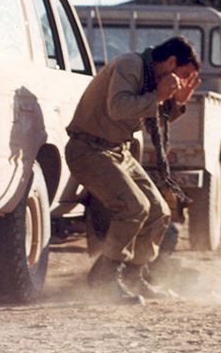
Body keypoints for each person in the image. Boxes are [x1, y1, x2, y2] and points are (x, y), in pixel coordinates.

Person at [66, 36, 201, 302]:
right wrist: (160, 96)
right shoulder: (130, 65)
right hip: (89, 150)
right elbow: (119, 108)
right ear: (171, 62)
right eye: (183, 75)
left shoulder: (153, 78)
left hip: (117, 151)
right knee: (134, 207)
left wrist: (176, 102)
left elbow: (152, 114)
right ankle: (104, 278)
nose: (182, 81)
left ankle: (133, 277)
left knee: (159, 211)